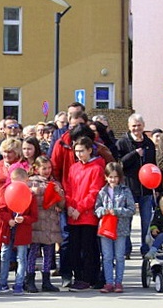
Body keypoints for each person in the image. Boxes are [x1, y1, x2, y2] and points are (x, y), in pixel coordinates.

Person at [65, 136, 106, 291]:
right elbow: (68, 188)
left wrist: (79, 209)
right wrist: (69, 206)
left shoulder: (96, 168)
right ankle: (78, 276)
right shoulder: (74, 167)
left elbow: (94, 193)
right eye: (77, 151)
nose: (79, 154)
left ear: (89, 150)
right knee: (74, 248)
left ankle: (88, 278)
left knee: (88, 248)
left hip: (87, 215)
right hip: (73, 214)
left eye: (82, 151)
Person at [0, 168, 37, 295]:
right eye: (14, 182)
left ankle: (19, 284)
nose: (16, 185)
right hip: (8, 229)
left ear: (26, 181)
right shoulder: (6, 191)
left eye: (20, 182)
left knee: (21, 257)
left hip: (22, 231)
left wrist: (24, 219)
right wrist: (8, 219)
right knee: (4, 256)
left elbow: (34, 216)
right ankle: (2, 283)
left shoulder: (31, 195)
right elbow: (0, 209)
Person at [116, 113, 156, 256]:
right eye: (133, 126)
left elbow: (154, 165)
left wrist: (157, 188)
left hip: (146, 189)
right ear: (129, 127)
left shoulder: (149, 143)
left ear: (143, 126)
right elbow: (119, 164)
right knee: (126, 221)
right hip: (129, 187)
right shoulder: (122, 142)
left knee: (147, 222)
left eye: (139, 125)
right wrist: (134, 154)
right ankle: (126, 249)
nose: (136, 129)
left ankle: (145, 248)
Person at [95, 162, 135, 293]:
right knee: (107, 256)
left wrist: (117, 211)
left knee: (119, 256)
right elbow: (97, 208)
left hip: (120, 228)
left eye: (115, 177)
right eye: (110, 177)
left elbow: (131, 209)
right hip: (106, 228)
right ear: (106, 177)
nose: (113, 180)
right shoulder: (102, 191)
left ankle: (118, 282)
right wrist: (103, 211)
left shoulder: (125, 190)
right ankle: (108, 282)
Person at [25, 156, 64, 292]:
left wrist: (60, 195)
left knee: (49, 252)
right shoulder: (31, 183)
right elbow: (24, 200)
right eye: (44, 168)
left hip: (50, 223)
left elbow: (61, 204)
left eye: (49, 168)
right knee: (33, 252)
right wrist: (32, 193)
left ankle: (46, 280)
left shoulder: (54, 184)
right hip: (36, 223)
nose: (47, 171)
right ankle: (29, 279)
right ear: (36, 169)